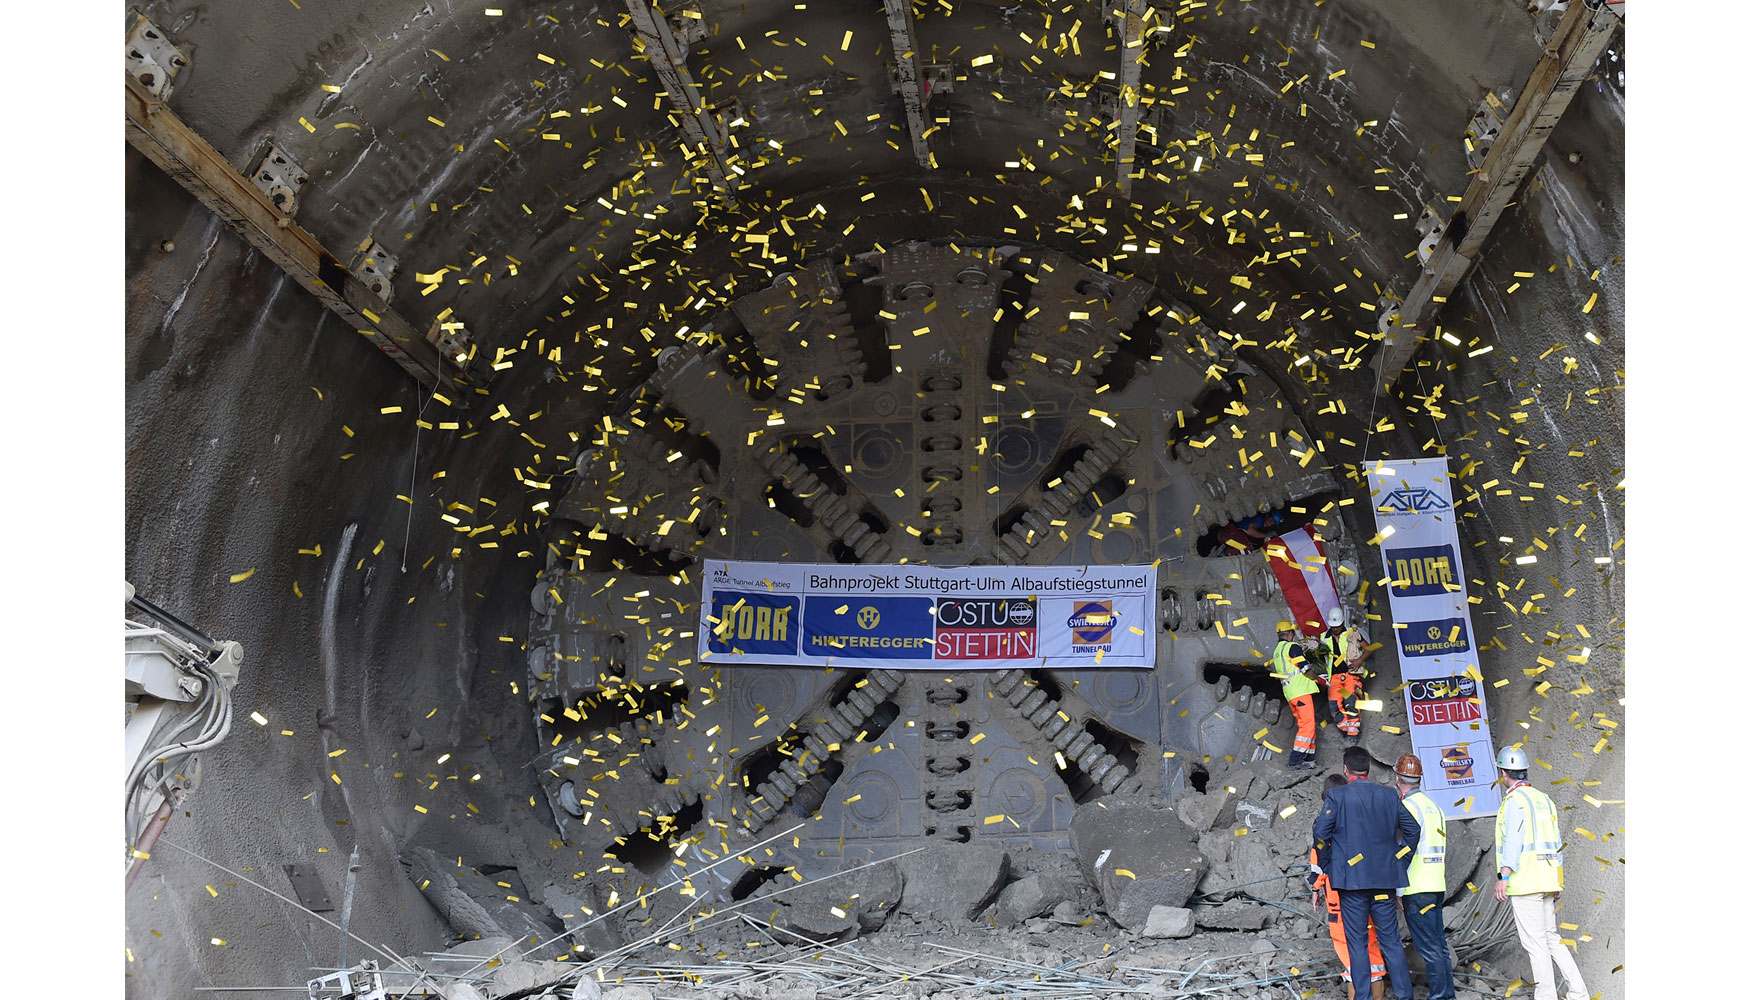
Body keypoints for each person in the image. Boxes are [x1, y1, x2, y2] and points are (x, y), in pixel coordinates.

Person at [1312, 746, 1420, 1000]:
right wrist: (1398, 861)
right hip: (1384, 883)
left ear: (1345, 769)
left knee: (1357, 943)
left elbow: (1320, 835)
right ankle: (1406, 997)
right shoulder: (1389, 796)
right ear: (1369, 770)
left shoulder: (1337, 797)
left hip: (1352, 886)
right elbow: (1413, 832)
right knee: (1392, 943)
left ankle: (1362, 997)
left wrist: (1329, 864)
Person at [1493, 745, 1588, 1000]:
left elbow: (1513, 840)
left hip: (1526, 882)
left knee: (1536, 945)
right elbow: (1557, 843)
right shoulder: (1544, 799)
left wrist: (1504, 875)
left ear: (1504, 773)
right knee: (1551, 939)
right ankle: (1579, 993)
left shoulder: (1514, 801)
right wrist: (1557, 881)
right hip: (1547, 880)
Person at [1311, 773, 1386, 999]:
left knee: (1350, 954)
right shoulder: (1364, 820)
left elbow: (1319, 862)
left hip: (1339, 897)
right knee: (1371, 950)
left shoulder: (1325, 823)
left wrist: (1316, 888)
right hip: (1369, 892)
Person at [1394, 754, 1454, 1000]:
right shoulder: (1434, 807)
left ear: (1397, 779)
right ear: (1419, 779)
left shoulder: (1406, 807)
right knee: (1439, 947)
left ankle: (1440, 996)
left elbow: (1403, 851)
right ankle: (1446, 994)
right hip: (1436, 883)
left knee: (1429, 949)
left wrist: (1398, 889)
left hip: (1416, 886)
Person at [1317, 606, 1372, 741]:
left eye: (1338, 625)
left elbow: (1369, 649)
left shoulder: (1353, 633)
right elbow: (1320, 657)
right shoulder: (1323, 637)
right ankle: (1346, 730)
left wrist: (1359, 660)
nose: (1335, 628)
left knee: (1351, 702)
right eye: (1333, 626)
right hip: (1334, 678)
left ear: (1343, 622)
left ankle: (1353, 735)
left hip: (1351, 675)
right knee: (1334, 706)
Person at [1270, 620, 1319, 768]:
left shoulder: (1277, 651)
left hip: (1290, 693)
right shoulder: (1292, 647)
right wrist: (1317, 678)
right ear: (1290, 634)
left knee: (1305, 724)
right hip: (1300, 692)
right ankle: (1295, 760)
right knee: (1308, 725)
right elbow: (1304, 668)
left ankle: (1309, 759)